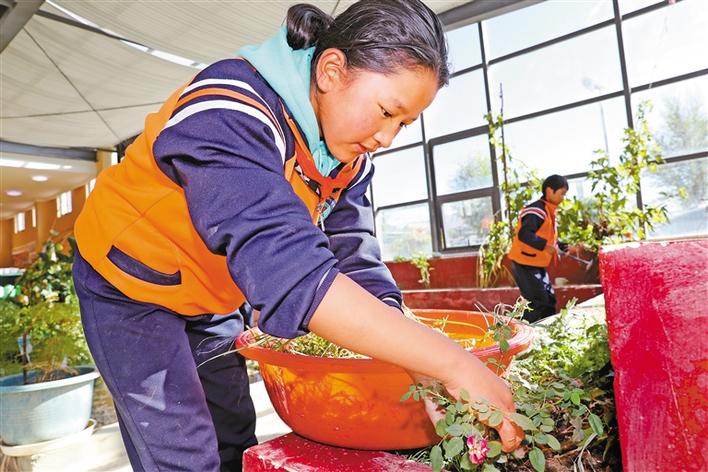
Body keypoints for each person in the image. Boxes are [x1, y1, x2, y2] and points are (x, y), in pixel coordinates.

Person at [72, 1, 523, 470]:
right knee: (183, 451)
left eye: (403, 124)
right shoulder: (228, 107)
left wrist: (421, 366)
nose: (387, 138)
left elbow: (355, 260)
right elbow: (292, 276)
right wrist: (451, 362)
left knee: (232, 434)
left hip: (210, 291)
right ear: (331, 71)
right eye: (387, 111)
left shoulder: (347, 159)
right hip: (129, 286)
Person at [508, 174, 575, 323]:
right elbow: (525, 234)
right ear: (550, 191)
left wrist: (562, 246)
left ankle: (546, 331)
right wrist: (546, 246)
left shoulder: (548, 211)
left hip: (536, 265)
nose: (563, 198)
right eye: (562, 193)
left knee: (549, 300)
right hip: (524, 263)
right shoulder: (536, 210)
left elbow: (548, 239)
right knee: (537, 302)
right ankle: (520, 331)